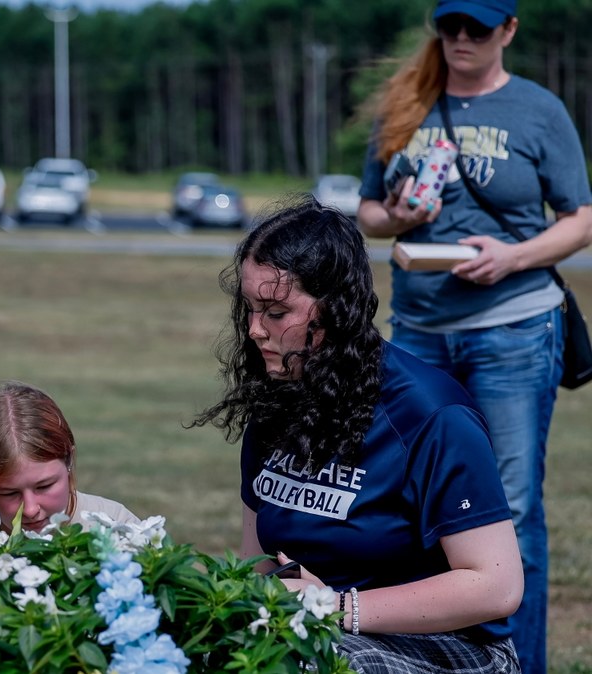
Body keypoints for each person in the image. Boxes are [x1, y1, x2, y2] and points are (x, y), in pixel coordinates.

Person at [355, 1, 592, 670]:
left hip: (512, 328)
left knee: (511, 513)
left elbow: (580, 220)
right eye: (449, 26)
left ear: (508, 31)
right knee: (419, 510)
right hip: (419, 333)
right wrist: (396, 214)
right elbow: (368, 210)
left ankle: (524, 662)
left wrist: (512, 257)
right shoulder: (407, 100)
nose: (461, 39)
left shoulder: (539, 110)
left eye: (477, 29)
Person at [194, 198, 523, 672]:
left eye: (276, 311)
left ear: (336, 309)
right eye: (249, 308)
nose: (254, 331)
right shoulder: (276, 399)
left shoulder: (432, 413)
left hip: (455, 647)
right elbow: (258, 568)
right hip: (318, 631)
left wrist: (336, 607)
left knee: (320, 665)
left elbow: (497, 586)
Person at [0, 381, 139, 532]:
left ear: (69, 459)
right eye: (10, 493)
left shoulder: (117, 527)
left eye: (44, 486)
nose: (30, 510)